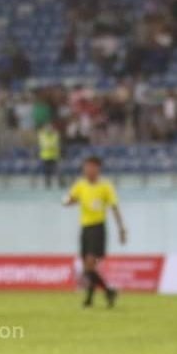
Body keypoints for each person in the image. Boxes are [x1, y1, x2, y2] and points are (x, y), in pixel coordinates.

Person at [63, 156, 126, 308]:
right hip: (85, 229)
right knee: (87, 267)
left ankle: (107, 292)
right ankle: (96, 297)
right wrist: (68, 201)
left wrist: (121, 228)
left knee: (90, 263)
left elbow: (114, 207)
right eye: (86, 167)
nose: (88, 170)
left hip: (98, 228)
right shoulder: (80, 185)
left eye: (91, 167)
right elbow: (68, 200)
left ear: (98, 169)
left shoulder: (106, 186)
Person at [38, 123, 62, 189]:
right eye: (47, 128)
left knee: (58, 171)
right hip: (45, 157)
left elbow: (55, 144)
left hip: (54, 156)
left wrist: (49, 145)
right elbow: (44, 144)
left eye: (50, 128)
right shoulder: (42, 135)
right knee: (46, 172)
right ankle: (47, 184)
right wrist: (50, 145)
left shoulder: (55, 135)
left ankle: (61, 184)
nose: (49, 129)